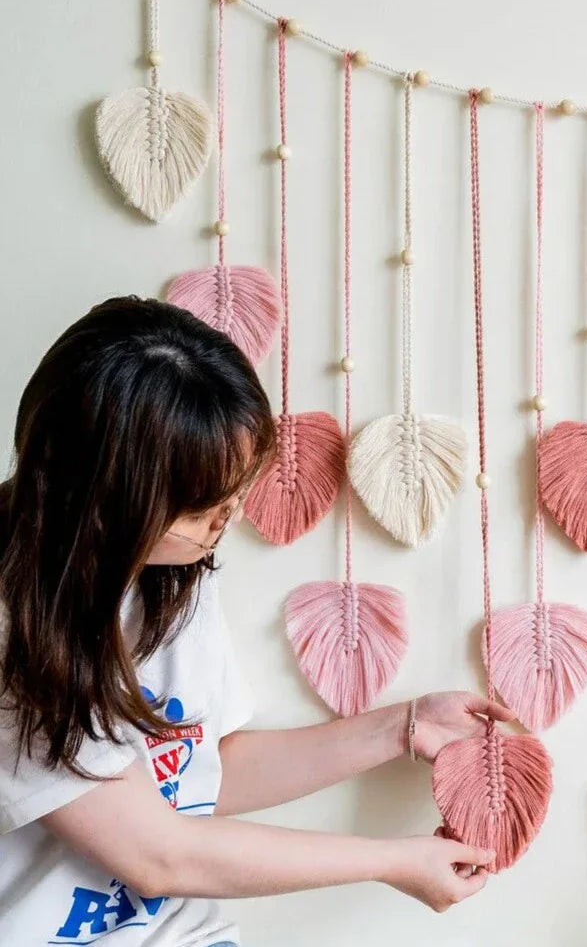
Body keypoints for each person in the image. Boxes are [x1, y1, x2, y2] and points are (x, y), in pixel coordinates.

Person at [0, 296, 513, 946]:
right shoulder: (15, 630)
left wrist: (403, 725)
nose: (229, 521)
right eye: (204, 508)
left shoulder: (171, 575)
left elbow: (196, 773)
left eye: (237, 492)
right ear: (102, 498)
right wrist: (395, 860)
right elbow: (158, 855)